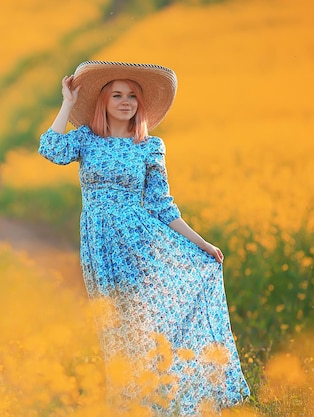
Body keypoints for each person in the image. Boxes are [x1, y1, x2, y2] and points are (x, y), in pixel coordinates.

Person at [38, 61, 250, 415]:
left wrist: (203, 245)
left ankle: (166, 403)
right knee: (115, 329)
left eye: (132, 95)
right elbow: (50, 149)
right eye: (117, 95)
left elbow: (163, 206)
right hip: (100, 244)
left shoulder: (149, 147)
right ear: (103, 101)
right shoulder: (86, 139)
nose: (125, 101)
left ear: (140, 104)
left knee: (143, 326)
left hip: (141, 243)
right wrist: (68, 103)